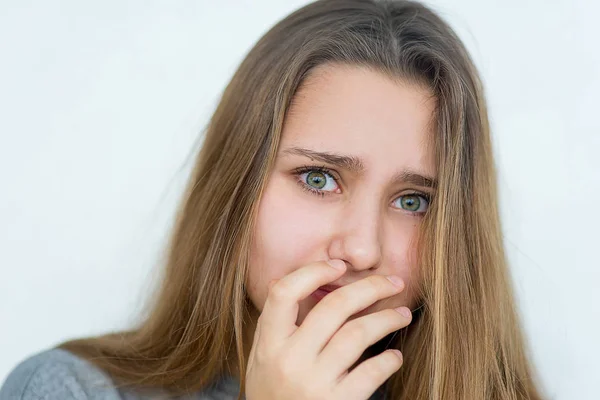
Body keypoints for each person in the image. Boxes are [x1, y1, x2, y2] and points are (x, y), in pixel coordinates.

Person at [0, 0, 546, 399]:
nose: (361, 249)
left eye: (413, 202)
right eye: (318, 179)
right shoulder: (69, 389)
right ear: (235, 187)